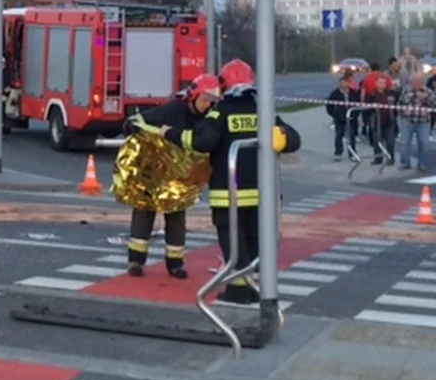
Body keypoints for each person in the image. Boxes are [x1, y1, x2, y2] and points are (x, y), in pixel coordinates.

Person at [163, 59, 301, 307]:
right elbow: (293, 139)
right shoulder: (263, 111)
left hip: (230, 193)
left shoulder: (220, 112)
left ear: (224, 84)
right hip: (261, 194)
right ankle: (256, 289)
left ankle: (238, 291)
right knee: (256, 242)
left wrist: (168, 133)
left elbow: (201, 141)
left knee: (234, 244)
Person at [122, 74, 222, 279]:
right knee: (144, 212)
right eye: (205, 100)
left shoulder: (210, 118)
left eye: (212, 102)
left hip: (179, 177)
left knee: (176, 216)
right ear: (193, 97)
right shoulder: (173, 110)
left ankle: (175, 263)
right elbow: (138, 122)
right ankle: (135, 261)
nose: (208, 105)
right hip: (154, 172)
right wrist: (135, 127)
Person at [397, 73, 435, 172]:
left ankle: (422, 164)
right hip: (408, 121)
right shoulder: (406, 91)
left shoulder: (428, 91)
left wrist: (426, 98)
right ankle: (405, 163)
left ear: (422, 82)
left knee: (423, 143)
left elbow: (434, 104)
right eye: (414, 81)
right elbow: (400, 103)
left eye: (418, 81)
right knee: (405, 143)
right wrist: (401, 115)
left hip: (423, 122)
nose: (416, 83)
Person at [326, 71, 356, 160]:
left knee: (351, 136)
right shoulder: (335, 94)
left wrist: (355, 115)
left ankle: (352, 153)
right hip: (340, 119)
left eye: (345, 83)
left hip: (351, 118)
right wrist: (335, 115)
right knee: (339, 136)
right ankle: (338, 153)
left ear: (348, 83)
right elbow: (329, 106)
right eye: (341, 83)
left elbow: (357, 104)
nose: (343, 84)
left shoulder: (353, 93)